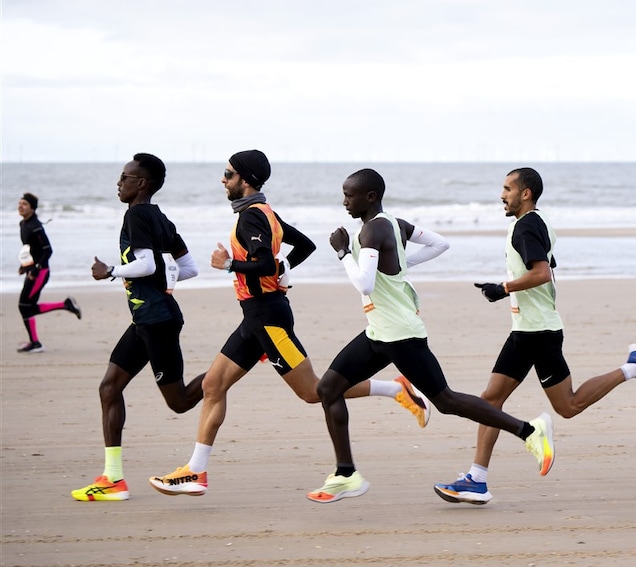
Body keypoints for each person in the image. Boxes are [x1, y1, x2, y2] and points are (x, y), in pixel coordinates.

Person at [148, 151, 429, 497]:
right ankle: (196, 471)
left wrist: (229, 266)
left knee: (314, 392)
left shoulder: (253, 217)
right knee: (213, 386)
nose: (223, 179)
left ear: (246, 179)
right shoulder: (265, 213)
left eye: (228, 174)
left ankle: (395, 389)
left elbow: (264, 264)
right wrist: (284, 269)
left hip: (269, 320)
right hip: (254, 319)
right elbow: (305, 246)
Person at [306, 168, 554, 504]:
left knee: (447, 401)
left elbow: (363, 283)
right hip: (379, 331)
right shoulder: (394, 224)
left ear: (370, 197)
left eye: (349, 195)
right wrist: (400, 265)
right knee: (328, 388)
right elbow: (440, 243)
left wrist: (342, 253)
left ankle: (528, 431)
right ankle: (347, 473)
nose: (344, 201)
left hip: (400, 335)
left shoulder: (374, 228)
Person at [433, 167, 636, 505]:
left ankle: (632, 368)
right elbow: (546, 266)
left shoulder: (526, 226)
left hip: (537, 332)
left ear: (525, 193)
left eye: (507, 189)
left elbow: (542, 273)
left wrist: (503, 288)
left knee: (566, 405)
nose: (502, 195)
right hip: (529, 328)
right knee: (493, 401)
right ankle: (476, 479)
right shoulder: (538, 223)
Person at [71, 153, 203, 501]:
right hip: (146, 320)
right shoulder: (159, 218)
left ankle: (240, 360)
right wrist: (165, 278)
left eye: (125, 177)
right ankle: (112, 479)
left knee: (180, 402)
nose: (119, 182)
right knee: (109, 388)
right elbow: (188, 268)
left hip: (157, 322)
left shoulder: (137, 216)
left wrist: (110, 271)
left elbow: (145, 264)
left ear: (141, 183)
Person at [16, 193, 81, 353]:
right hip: (33, 270)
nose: (20, 206)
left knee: (24, 306)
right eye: (19, 203)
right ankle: (65, 306)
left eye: (24, 204)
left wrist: (36, 269)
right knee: (26, 306)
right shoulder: (23, 224)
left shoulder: (36, 227)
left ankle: (36, 342)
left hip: (41, 272)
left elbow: (48, 250)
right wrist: (25, 266)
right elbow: (31, 250)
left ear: (32, 208)